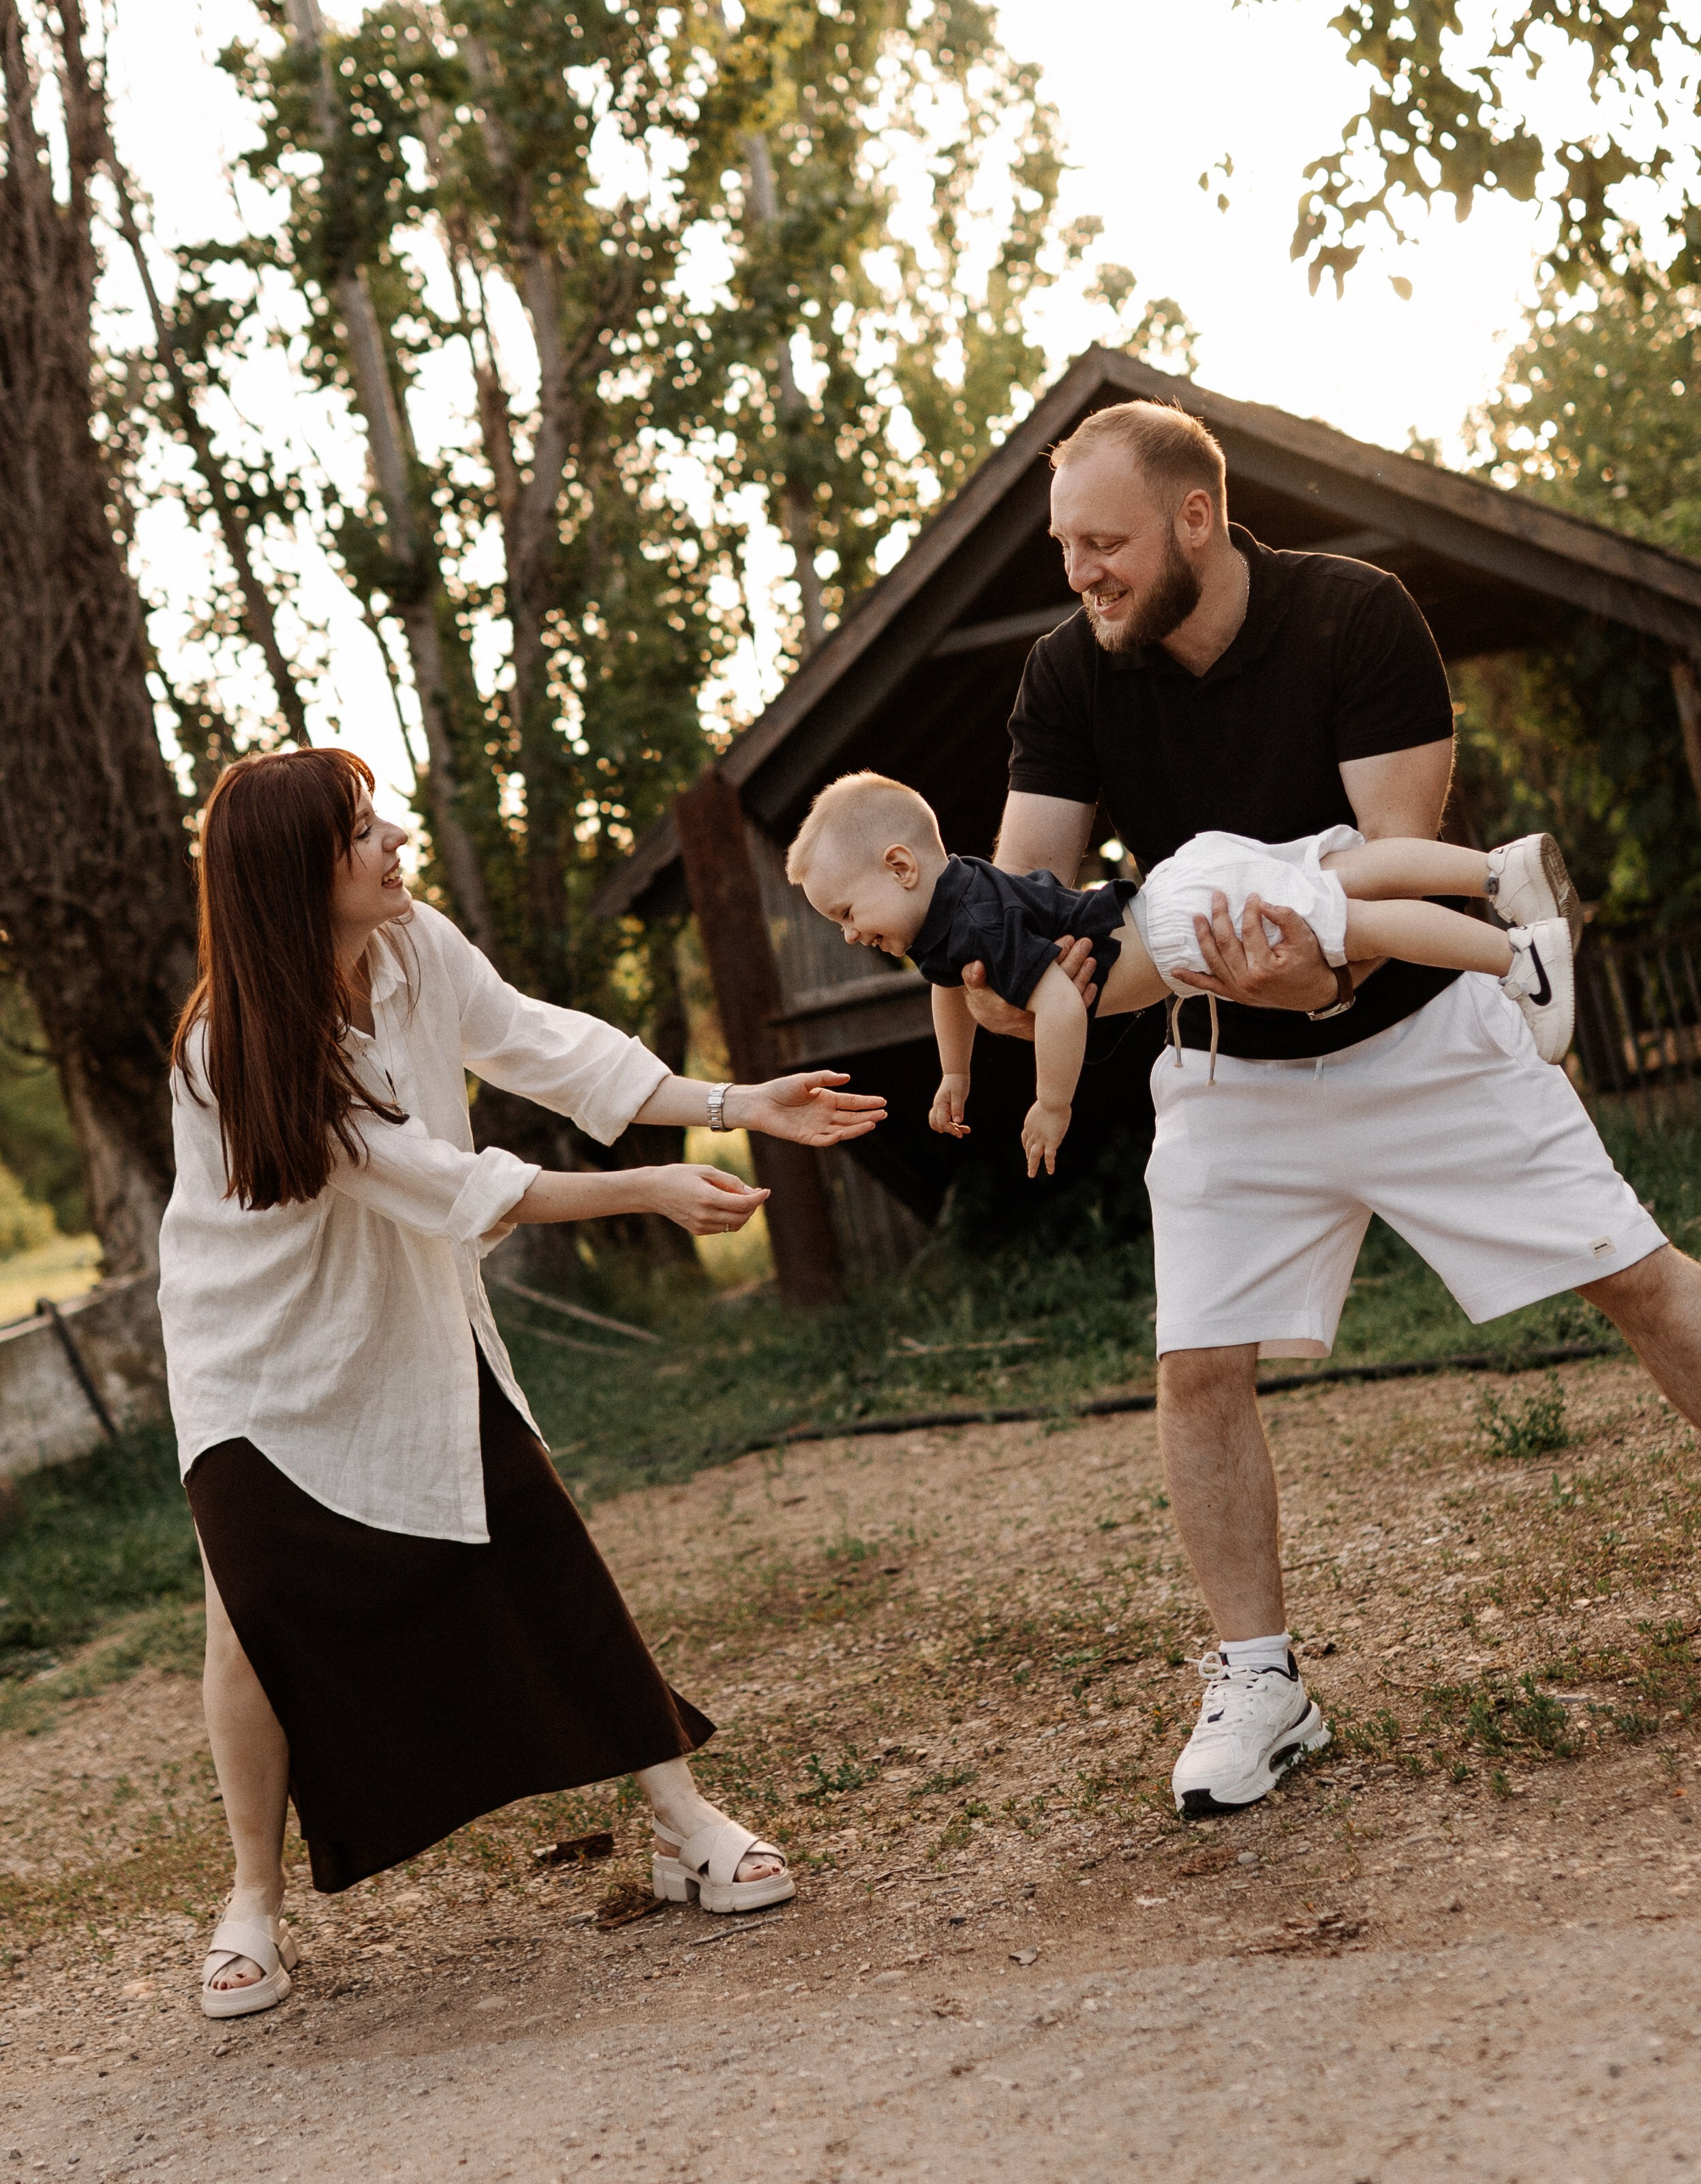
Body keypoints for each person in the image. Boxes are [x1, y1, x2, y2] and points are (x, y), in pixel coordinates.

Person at [956, 395, 1701, 1818]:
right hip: (1233, 1071)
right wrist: (994, 954)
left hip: (1430, 1038)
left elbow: (1398, 860)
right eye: (1064, 549)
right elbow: (1022, 927)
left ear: (1195, 519)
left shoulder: (1355, 615)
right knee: (1198, 1368)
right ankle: (1262, 1682)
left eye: (1103, 543)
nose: (1081, 574)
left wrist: (1302, 977)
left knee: (1644, 1285)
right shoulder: (1068, 674)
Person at [161, 748, 885, 2018]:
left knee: (537, 1540)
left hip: (410, 1313)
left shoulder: (415, 945)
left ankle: (681, 1821)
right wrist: (653, 1187)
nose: (393, 840)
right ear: (295, 874)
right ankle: (252, 1904)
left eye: (384, 816)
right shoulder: (232, 1045)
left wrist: (727, 1099)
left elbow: (545, 1044)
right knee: (249, 1615)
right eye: (362, 830)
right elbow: (449, 1181)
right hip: (255, 1361)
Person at [785, 769, 1578, 1181]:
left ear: (900, 866)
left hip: (1175, 933)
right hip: (1181, 882)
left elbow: (1061, 1006)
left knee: (1353, 923)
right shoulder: (949, 914)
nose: (852, 934)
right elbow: (947, 984)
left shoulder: (978, 917)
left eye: (847, 912)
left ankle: (1518, 960)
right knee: (1344, 871)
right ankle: (1498, 872)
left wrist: (1050, 1103)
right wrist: (953, 1070)